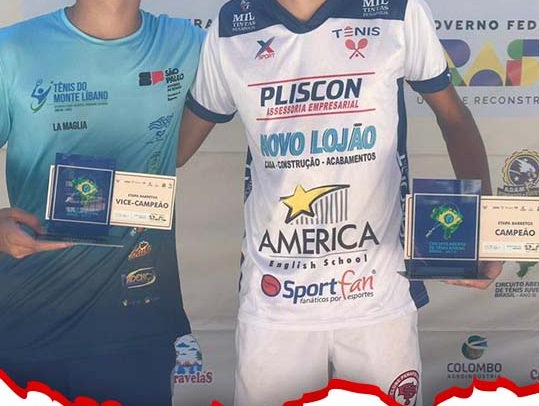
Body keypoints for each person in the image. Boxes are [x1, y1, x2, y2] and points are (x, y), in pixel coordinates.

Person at [177, 0, 503, 404]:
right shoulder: (232, 26)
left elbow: (453, 117)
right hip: (276, 302)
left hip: (378, 296)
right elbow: (175, 150)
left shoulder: (397, 10)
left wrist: (485, 226)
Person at [0, 0, 203, 403]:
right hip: (30, 320)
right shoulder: (13, 49)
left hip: (136, 326)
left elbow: (178, 148)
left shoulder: (190, 43)